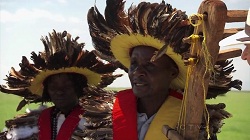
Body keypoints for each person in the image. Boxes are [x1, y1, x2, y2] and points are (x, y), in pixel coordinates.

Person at [87, 0, 242, 140]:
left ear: (172, 73)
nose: (137, 72)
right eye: (134, 64)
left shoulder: (194, 120)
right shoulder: (105, 113)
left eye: (150, 64)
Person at [0, 30, 119, 140]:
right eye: (53, 87)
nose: (59, 91)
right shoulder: (32, 123)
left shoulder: (97, 121)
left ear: (78, 87)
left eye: (67, 86)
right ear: (46, 91)